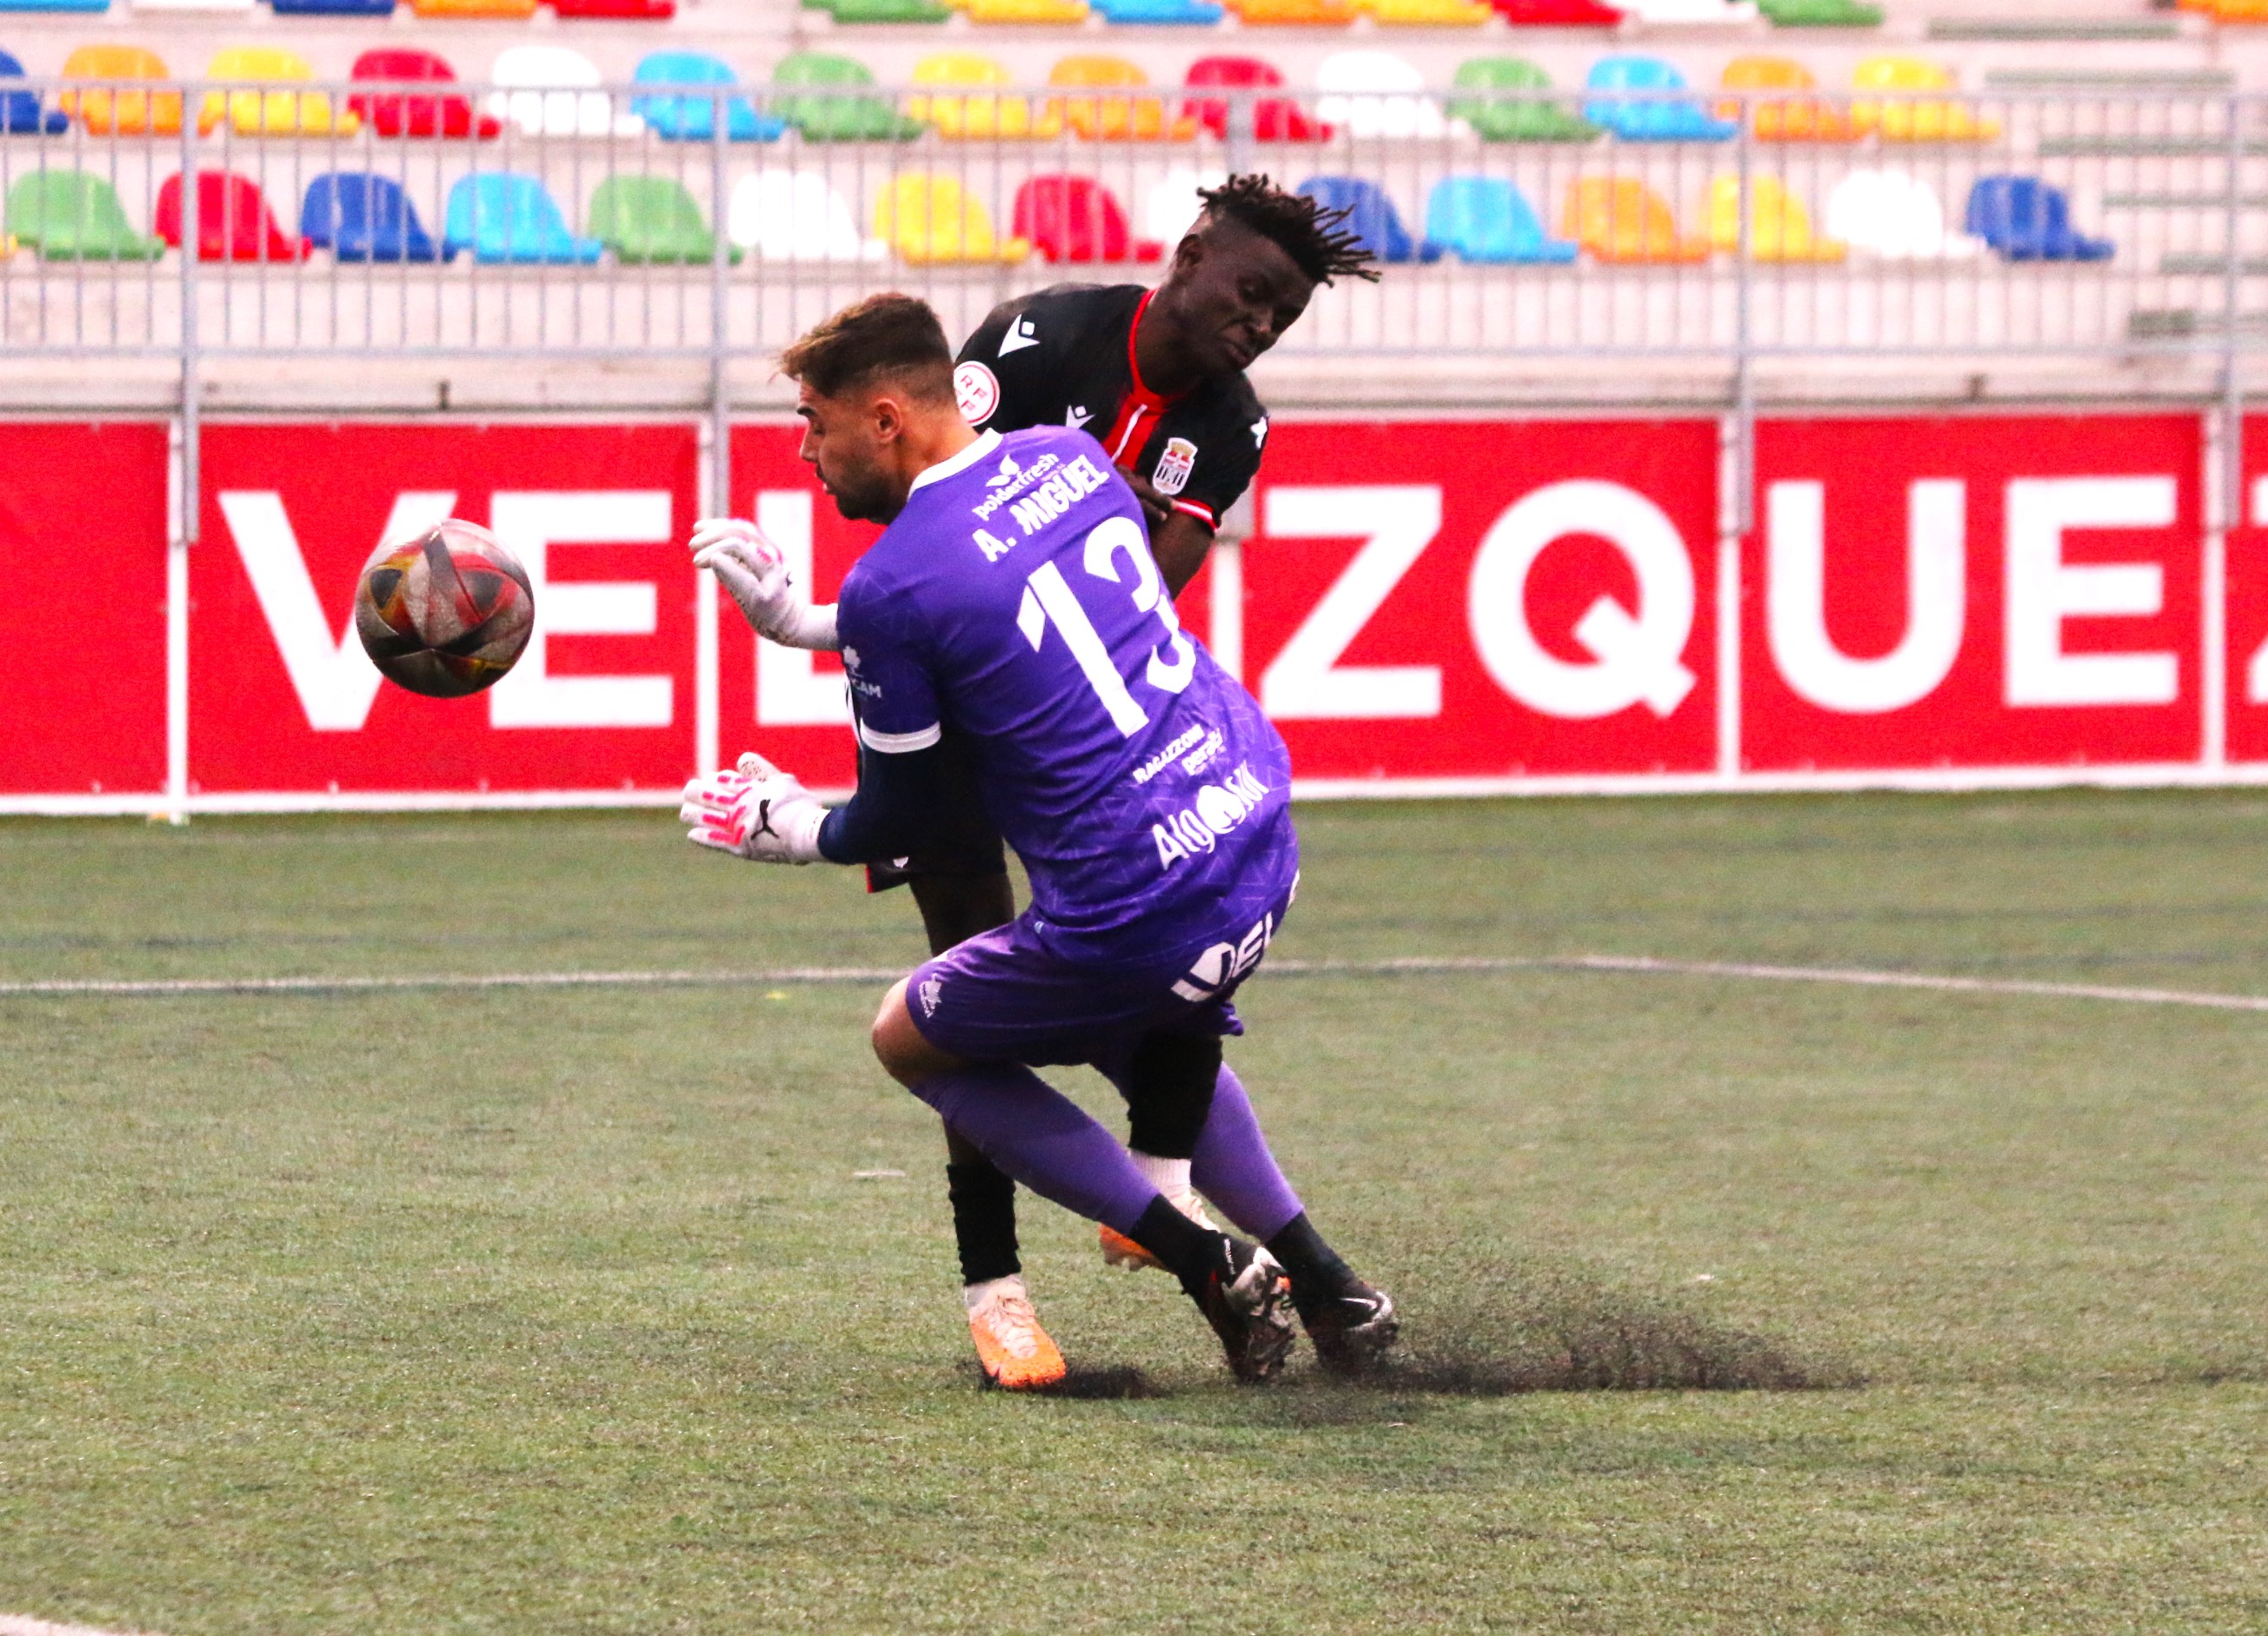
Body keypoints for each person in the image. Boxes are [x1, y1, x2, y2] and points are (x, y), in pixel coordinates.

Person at [692, 179, 1380, 1387]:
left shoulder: (1226, 424)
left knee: (945, 1024)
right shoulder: (1043, 358)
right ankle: (1012, 1292)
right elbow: (965, 550)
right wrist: (819, 623)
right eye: (1251, 290)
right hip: (1220, 797)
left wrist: (794, 818)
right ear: (1189, 261)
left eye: (1282, 307)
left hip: (1070, 766)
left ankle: (1187, 1245)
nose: (1260, 321)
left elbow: (950, 571)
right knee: (1045, 977)